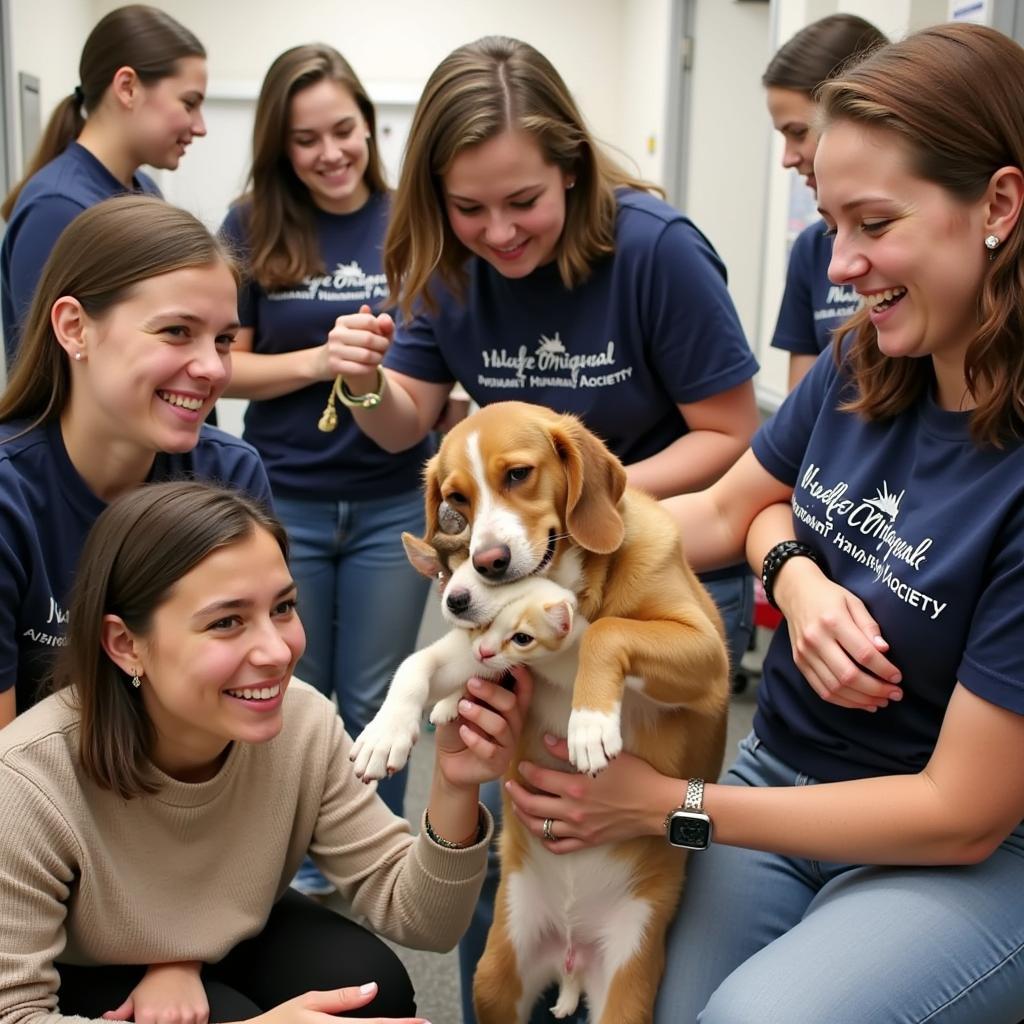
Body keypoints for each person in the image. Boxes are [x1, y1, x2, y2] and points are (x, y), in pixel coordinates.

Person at [505, 23, 1024, 1024]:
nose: (838, 265)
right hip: (776, 774)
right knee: (642, 995)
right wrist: (530, 547)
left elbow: (959, 814)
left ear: (998, 203)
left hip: (956, 847)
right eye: (829, 224)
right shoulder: (863, 366)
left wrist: (667, 809)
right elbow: (721, 509)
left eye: (872, 224)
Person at [325, 35, 760, 1022]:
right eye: (467, 208)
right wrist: (361, 386)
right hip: (530, 582)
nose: (498, 232)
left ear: (569, 165)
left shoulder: (654, 250)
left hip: (655, 569)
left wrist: (575, 508)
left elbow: (732, 435)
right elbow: (411, 417)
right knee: (516, 829)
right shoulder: (447, 264)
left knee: (638, 851)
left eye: (522, 202)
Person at [0, 479, 530, 1024]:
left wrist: (454, 784)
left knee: (369, 991)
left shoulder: (300, 722)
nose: (278, 652)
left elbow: (424, 921)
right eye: (226, 621)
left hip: (219, 927)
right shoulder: (25, 781)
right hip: (77, 967)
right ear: (125, 645)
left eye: (283, 607)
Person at [218, 45, 431, 840]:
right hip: (283, 500)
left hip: (392, 499)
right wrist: (317, 360)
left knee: (379, 696)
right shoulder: (249, 225)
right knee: (286, 690)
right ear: (281, 147)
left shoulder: (413, 217)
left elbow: (435, 359)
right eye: (306, 140)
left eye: (344, 130)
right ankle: (293, 863)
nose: (331, 152)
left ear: (371, 127)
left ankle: (373, 856)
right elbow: (219, 367)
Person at [0, 194, 272, 731]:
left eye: (222, 340)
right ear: (75, 328)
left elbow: (254, 683)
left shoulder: (232, 477)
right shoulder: (12, 498)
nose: (211, 368)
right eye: (176, 331)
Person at [1, 4, 207, 366]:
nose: (200, 126)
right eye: (189, 103)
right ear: (127, 87)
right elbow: (53, 370)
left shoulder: (142, 190)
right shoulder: (57, 209)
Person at [764, 14, 887, 391]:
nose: (787, 157)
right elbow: (799, 414)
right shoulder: (812, 248)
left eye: (798, 133)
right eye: (836, 229)